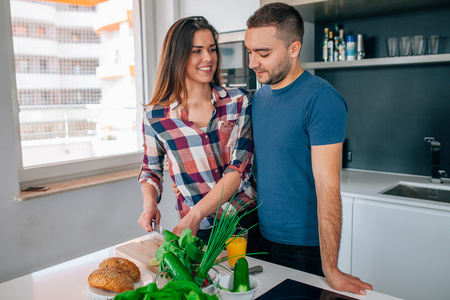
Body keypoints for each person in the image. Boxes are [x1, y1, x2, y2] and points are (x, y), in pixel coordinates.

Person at [244, 2, 373, 295]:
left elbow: (328, 184)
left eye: (263, 53)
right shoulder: (260, 99)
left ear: (294, 49)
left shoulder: (322, 100)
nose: (253, 62)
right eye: (250, 51)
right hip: (260, 239)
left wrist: (331, 269)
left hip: (303, 249)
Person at [137, 16, 255, 243]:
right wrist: (149, 205)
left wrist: (196, 213)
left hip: (242, 222)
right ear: (177, 57)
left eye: (212, 49)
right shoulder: (155, 116)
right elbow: (151, 170)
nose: (208, 58)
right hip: (198, 230)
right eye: (197, 51)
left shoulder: (238, 101)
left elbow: (239, 169)